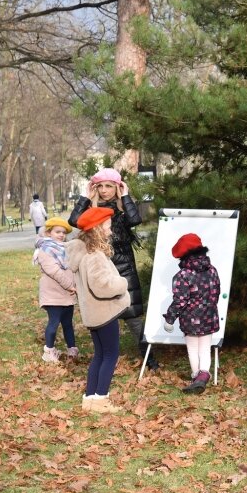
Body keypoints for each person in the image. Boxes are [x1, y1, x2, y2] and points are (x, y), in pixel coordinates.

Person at [68, 168, 159, 371]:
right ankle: (108, 358)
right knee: (105, 315)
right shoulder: (93, 211)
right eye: (100, 186)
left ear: (117, 187)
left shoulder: (121, 210)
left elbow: (135, 220)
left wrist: (125, 196)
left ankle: (149, 359)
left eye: (109, 186)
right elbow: (74, 221)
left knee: (133, 318)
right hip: (100, 266)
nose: (104, 190)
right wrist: (85, 197)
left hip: (124, 266)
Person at [67, 207, 130, 414]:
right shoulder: (94, 256)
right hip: (103, 313)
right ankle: (101, 398)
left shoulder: (85, 253)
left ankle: (90, 397)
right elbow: (101, 285)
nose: (110, 232)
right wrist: (121, 283)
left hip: (94, 314)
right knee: (110, 355)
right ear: (97, 229)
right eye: (108, 227)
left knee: (100, 355)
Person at [162, 233, 221, 394]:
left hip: (190, 319)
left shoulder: (182, 275)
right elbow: (216, 292)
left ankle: (197, 377)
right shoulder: (212, 270)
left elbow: (180, 301)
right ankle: (203, 375)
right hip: (209, 315)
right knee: (205, 349)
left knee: (193, 349)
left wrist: (170, 318)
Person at [33, 217, 78, 363]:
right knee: (54, 322)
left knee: (67, 323)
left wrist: (74, 285)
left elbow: (71, 268)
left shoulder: (65, 249)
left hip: (67, 293)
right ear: (48, 233)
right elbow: (55, 272)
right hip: (53, 293)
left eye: (64, 233)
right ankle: (49, 350)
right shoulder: (44, 250)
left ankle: (72, 348)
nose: (61, 235)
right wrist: (70, 285)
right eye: (57, 231)